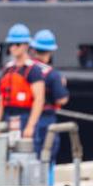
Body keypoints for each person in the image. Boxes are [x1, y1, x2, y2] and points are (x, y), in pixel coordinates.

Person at [0, 24, 45, 140]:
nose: (13, 48)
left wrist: (30, 126)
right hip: (9, 116)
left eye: (17, 44)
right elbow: (1, 98)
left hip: (25, 116)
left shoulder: (33, 70)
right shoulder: (8, 69)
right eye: (11, 44)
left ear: (26, 45)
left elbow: (39, 99)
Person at [30, 30, 69, 169]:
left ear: (33, 49)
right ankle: (46, 184)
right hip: (45, 118)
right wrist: (62, 85)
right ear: (50, 51)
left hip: (24, 116)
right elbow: (62, 99)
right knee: (48, 153)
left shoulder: (25, 68)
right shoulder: (51, 74)